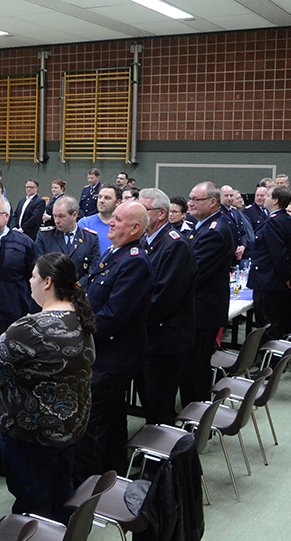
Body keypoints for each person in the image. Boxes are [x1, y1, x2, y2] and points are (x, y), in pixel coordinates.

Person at [0, 252, 95, 522]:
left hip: (30, 435)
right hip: (70, 428)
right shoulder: (82, 317)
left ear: (47, 282)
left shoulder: (29, 328)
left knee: (32, 504)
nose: (29, 281)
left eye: (33, 276)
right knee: (61, 493)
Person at [74, 201, 152, 482]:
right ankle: (113, 477)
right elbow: (90, 288)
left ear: (134, 228)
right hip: (104, 353)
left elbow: (114, 315)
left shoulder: (135, 262)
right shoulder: (114, 253)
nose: (111, 221)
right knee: (114, 422)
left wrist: (77, 330)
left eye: (118, 219)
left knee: (92, 427)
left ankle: (86, 489)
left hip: (112, 358)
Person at [137, 188, 197, 425]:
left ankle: (165, 448)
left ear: (161, 213)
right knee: (148, 398)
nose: (139, 215)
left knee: (159, 403)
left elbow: (163, 298)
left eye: (144, 210)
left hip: (165, 339)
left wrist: (132, 318)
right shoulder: (146, 240)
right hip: (149, 336)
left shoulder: (175, 246)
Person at [179, 182, 235, 408]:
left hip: (202, 311)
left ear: (213, 202)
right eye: (190, 198)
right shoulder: (204, 226)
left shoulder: (215, 231)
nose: (190, 203)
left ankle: (197, 418)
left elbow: (195, 272)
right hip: (202, 308)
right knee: (192, 367)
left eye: (196, 199)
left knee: (195, 370)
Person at [249, 185, 291, 341]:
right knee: (275, 321)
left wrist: (286, 277)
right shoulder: (287, 219)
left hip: (268, 280)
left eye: (268, 195)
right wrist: (288, 275)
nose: (264, 198)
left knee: (267, 325)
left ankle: (268, 354)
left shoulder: (274, 222)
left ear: (275, 201)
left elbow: (279, 254)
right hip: (275, 279)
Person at [0, 195, 36, 335]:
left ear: (6, 216)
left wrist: (27, 305)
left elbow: (33, 277)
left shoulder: (23, 243)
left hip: (13, 314)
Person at [35, 196, 100, 287]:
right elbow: (39, 266)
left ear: (74, 215)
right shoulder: (45, 236)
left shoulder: (90, 239)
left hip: (80, 291)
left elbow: (93, 269)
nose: (57, 221)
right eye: (55, 216)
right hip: (52, 289)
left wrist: (76, 287)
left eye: (61, 216)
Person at [77, 184, 120, 254]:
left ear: (118, 202)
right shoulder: (84, 224)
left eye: (107, 198)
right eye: (100, 197)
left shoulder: (122, 225)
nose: (101, 201)